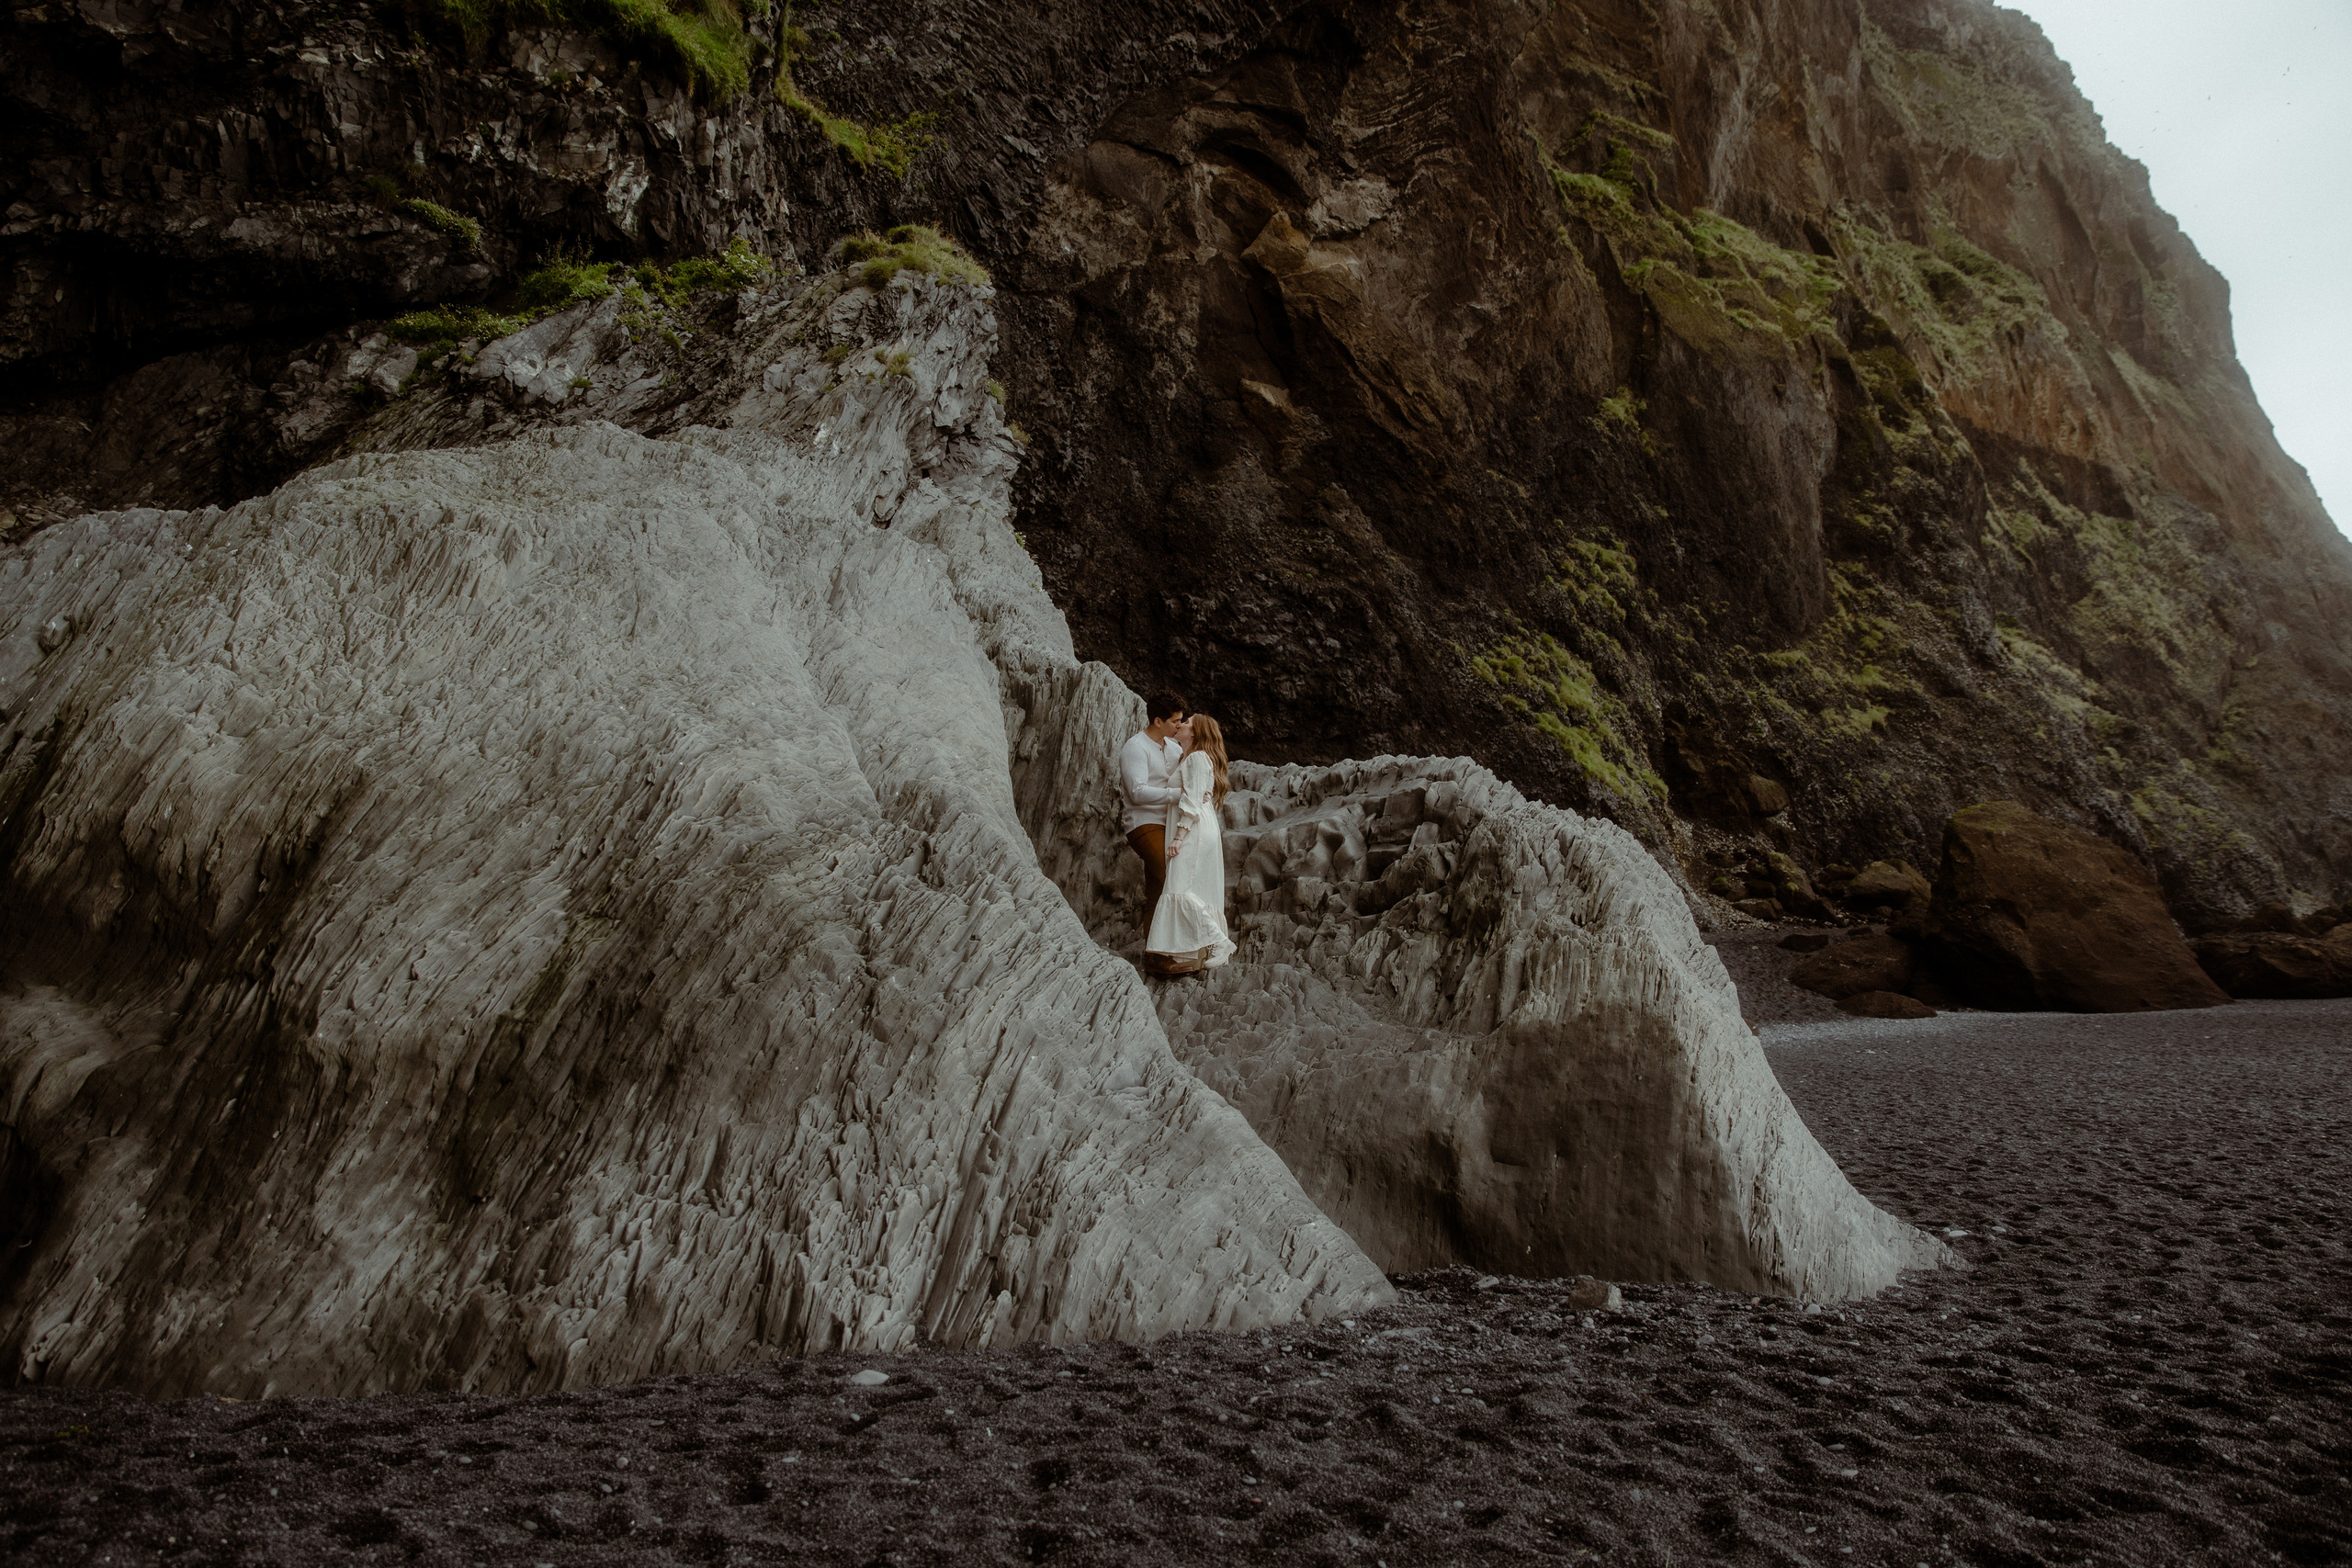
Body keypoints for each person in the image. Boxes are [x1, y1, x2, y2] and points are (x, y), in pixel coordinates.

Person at [1146, 714, 1236, 974]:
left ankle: (1219, 942)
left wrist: (1179, 837)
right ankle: (1200, 949)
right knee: (1191, 889)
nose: (1180, 724)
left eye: (1186, 723)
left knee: (1179, 887)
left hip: (1193, 829)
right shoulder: (1188, 758)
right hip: (1197, 826)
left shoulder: (1196, 758)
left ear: (1195, 733)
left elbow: (1194, 800)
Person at [1119, 690, 1189, 976]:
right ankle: (1165, 953)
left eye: (1182, 720)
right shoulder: (1136, 748)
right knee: (1171, 878)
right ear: (1158, 721)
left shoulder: (1173, 747)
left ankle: (1155, 958)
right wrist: (1178, 795)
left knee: (1157, 890)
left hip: (1169, 823)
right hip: (1143, 824)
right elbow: (1137, 792)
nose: (1179, 726)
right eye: (1175, 721)